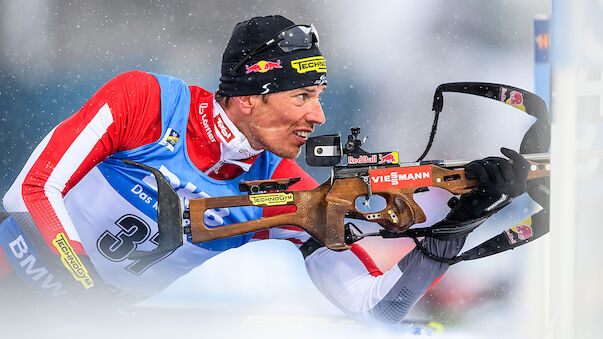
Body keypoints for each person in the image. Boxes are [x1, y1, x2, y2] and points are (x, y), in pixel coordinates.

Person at [0, 15, 528, 324]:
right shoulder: (147, 101)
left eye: (320, 96)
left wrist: (449, 236)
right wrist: (83, 290)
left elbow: (373, 309)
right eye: (302, 95)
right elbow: (30, 192)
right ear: (250, 98)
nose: (317, 115)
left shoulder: (289, 190)